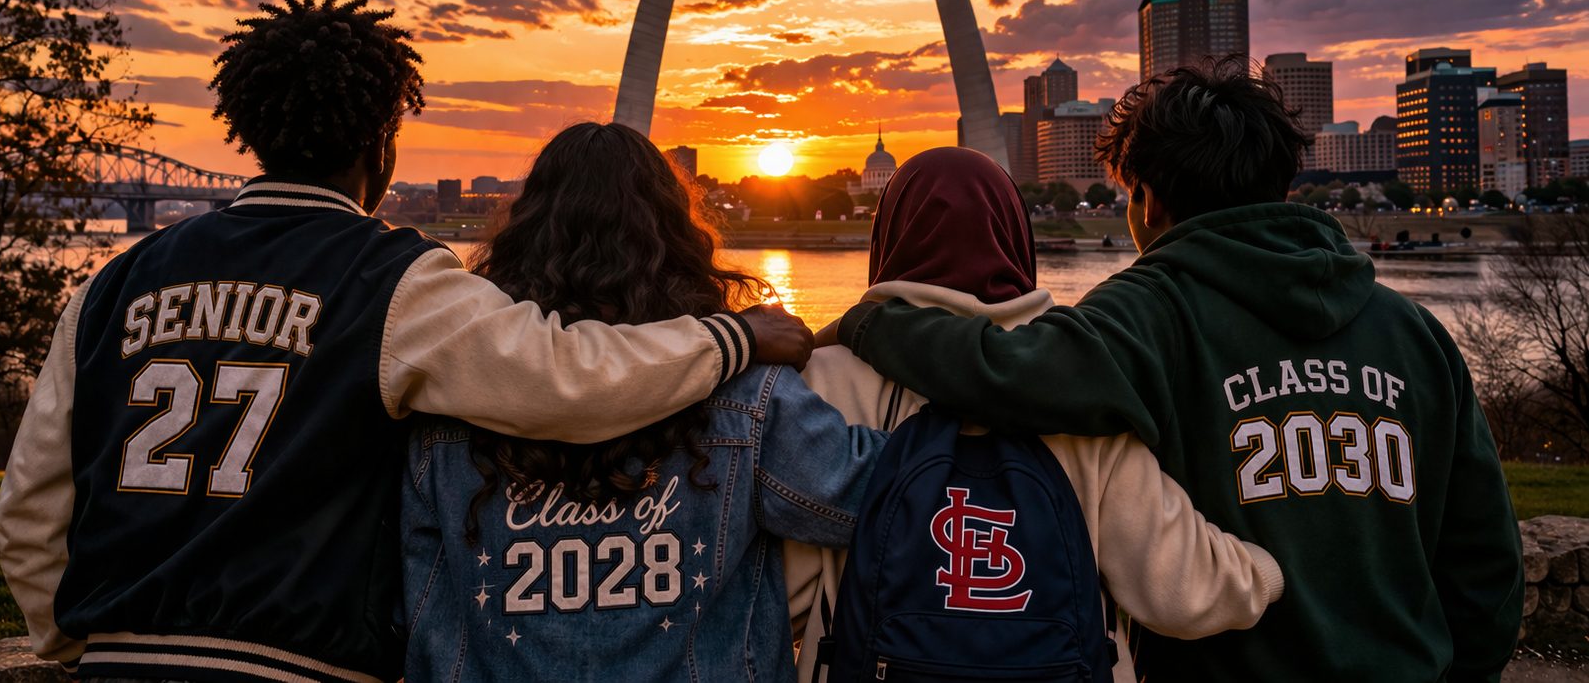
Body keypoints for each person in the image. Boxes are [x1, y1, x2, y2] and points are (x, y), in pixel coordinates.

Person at [0, 0, 813, 683]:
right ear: (382, 145)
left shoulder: (111, 285)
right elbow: (570, 378)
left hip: (114, 663)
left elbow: (29, 512)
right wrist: (732, 337)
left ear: (246, 129)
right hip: (296, 667)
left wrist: (74, 641)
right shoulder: (394, 281)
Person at [825, 63, 1523, 683]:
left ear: (1149, 201)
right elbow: (1484, 563)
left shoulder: (1147, 314)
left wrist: (866, 322)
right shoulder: (1418, 337)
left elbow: (1000, 366)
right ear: (1280, 180)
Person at [400, 122, 884, 682]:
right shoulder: (748, 393)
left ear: (522, 230)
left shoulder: (446, 400)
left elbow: (407, 591)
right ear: (675, 233)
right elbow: (882, 495)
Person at [786, 147, 1282, 683]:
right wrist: (1276, 568)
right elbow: (1183, 592)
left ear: (887, 237)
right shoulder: (1073, 382)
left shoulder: (822, 380)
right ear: (1015, 237)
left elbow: (785, 590)